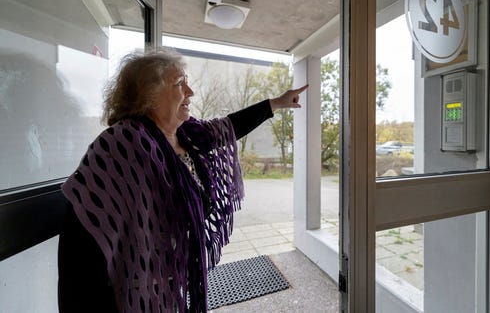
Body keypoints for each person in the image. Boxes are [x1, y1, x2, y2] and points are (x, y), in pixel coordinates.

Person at [57, 48, 308, 313]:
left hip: (165, 282)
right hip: (127, 292)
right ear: (148, 94)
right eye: (179, 84)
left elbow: (229, 126)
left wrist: (276, 104)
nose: (190, 92)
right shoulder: (121, 145)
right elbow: (81, 240)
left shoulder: (188, 135)